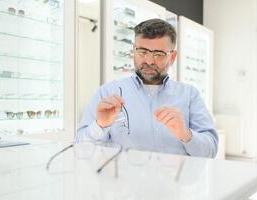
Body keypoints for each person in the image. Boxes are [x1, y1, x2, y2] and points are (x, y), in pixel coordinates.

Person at [76, 18, 218, 158]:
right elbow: (81, 149)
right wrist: (100, 125)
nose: (149, 61)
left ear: (173, 57)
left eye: (158, 54)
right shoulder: (108, 93)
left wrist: (186, 134)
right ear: (134, 50)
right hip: (123, 181)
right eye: (143, 52)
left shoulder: (189, 95)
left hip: (175, 180)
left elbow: (211, 151)